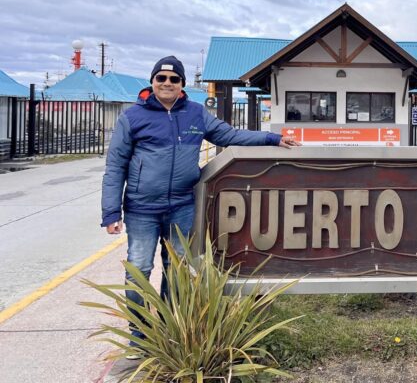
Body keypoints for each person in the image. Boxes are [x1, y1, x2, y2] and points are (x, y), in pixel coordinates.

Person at [101, 55, 300, 345]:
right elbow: (115, 165)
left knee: (179, 269)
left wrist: (271, 140)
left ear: (182, 84)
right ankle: (139, 336)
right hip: (142, 209)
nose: (167, 83)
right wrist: (110, 212)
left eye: (173, 79)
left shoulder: (195, 113)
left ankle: (173, 328)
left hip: (181, 206)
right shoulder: (133, 117)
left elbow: (228, 135)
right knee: (140, 269)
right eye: (161, 78)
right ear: (152, 82)